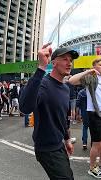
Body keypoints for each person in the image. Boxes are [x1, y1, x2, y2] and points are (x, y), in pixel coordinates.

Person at [20, 45, 78, 179]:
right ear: (53, 63)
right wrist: (41, 67)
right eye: (64, 59)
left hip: (59, 145)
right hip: (46, 149)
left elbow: (62, 118)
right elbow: (25, 108)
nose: (69, 63)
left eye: (70, 60)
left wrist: (67, 139)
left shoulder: (65, 88)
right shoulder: (42, 84)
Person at [68, 58, 101, 179]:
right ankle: (92, 167)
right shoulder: (90, 78)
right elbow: (71, 80)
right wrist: (88, 71)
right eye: (100, 65)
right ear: (94, 66)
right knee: (97, 143)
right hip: (94, 113)